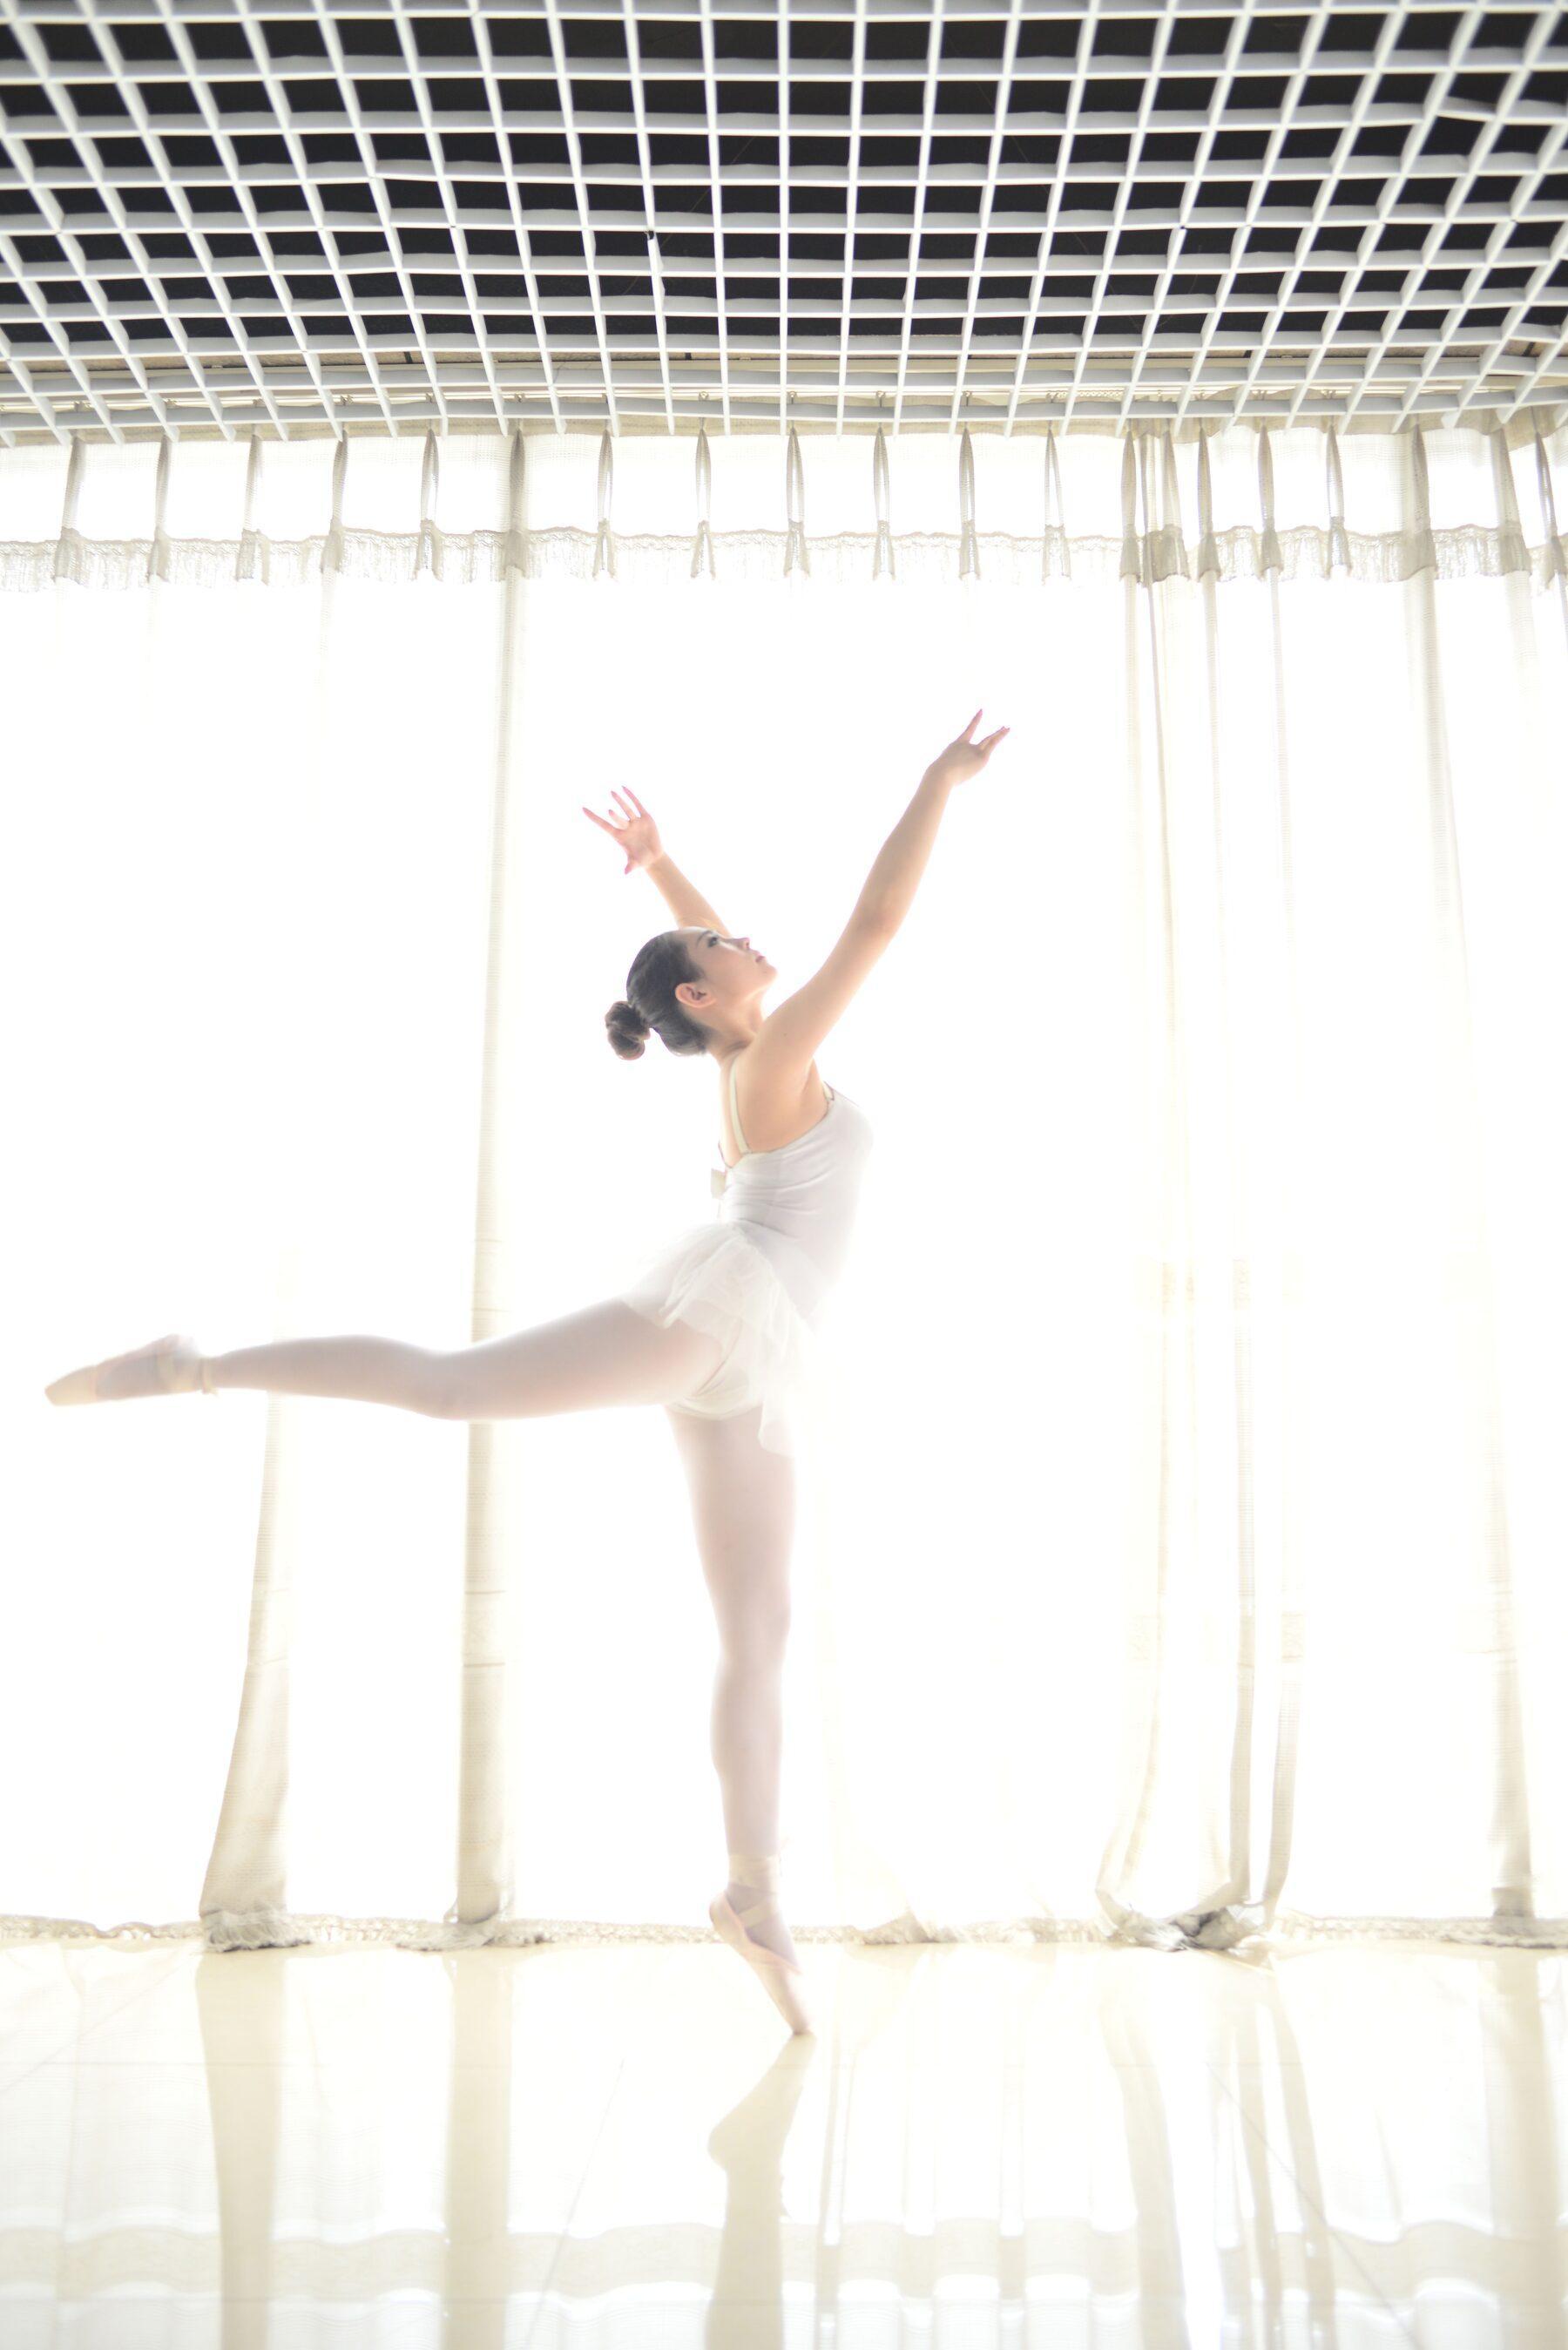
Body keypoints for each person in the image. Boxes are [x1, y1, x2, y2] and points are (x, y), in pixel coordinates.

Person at [44, 708, 1011, 2032]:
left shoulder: (751, 1043)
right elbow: (878, 922)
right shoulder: (774, 1056)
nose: (743, 934)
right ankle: (195, 1363)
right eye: (726, 942)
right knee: (455, 1387)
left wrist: (664, 869)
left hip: (752, 1353)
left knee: (760, 1630)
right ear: (703, 997)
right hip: (722, 1319)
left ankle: (752, 1892)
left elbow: (704, 955)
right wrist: (938, 780)